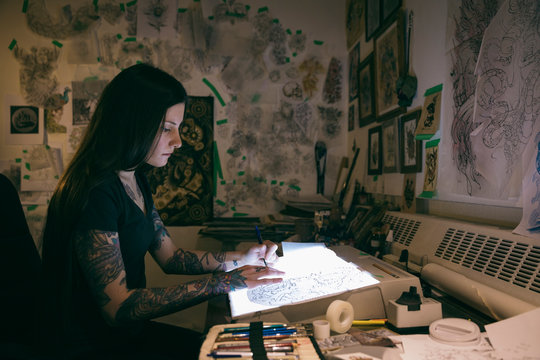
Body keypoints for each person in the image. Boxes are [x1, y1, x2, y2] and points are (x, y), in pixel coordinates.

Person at [39, 63, 284, 359]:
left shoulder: (135, 177)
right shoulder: (95, 193)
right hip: (93, 348)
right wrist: (224, 283)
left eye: (178, 128)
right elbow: (118, 308)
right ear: (133, 123)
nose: (178, 142)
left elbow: (171, 257)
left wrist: (240, 259)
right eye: (167, 128)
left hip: (129, 336)